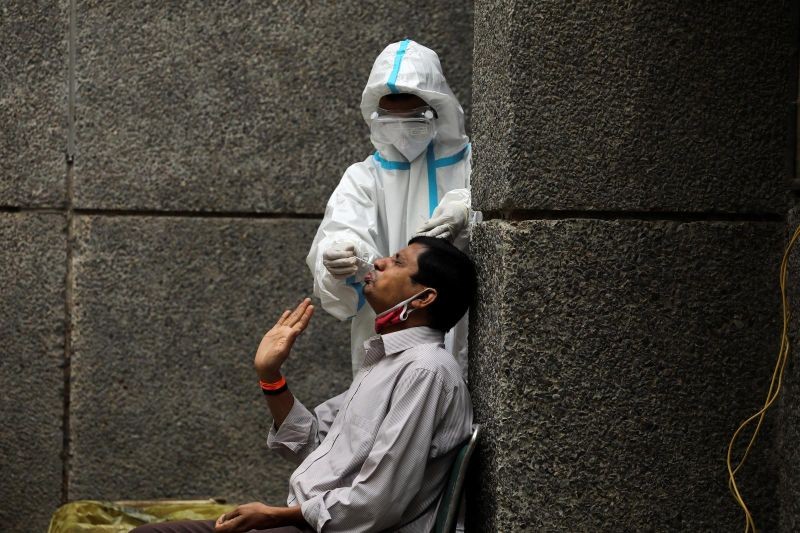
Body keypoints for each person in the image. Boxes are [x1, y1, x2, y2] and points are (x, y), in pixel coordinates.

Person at [130, 236, 476, 533]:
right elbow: (312, 445)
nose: (381, 261)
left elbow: (378, 502)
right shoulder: (388, 360)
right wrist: (270, 374)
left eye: (397, 262)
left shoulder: (426, 370)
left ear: (423, 298)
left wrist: (273, 516)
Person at [307, 39, 478, 377]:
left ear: (438, 110)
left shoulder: (473, 165)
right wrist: (340, 257)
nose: (401, 132)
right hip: (388, 351)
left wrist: (469, 211)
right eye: (389, 120)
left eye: (414, 119)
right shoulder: (364, 179)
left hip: (468, 339)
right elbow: (340, 235)